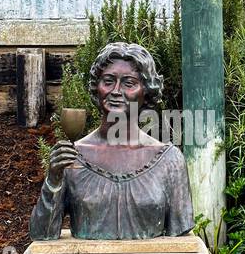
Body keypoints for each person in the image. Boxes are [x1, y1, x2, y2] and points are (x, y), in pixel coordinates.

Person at [28, 42, 194, 241]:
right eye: (108, 81)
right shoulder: (72, 158)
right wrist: (53, 181)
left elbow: (181, 239)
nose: (116, 91)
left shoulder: (169, 161)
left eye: (129, 83)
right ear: (97, 88)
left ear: (147, 91)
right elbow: (42, 235)